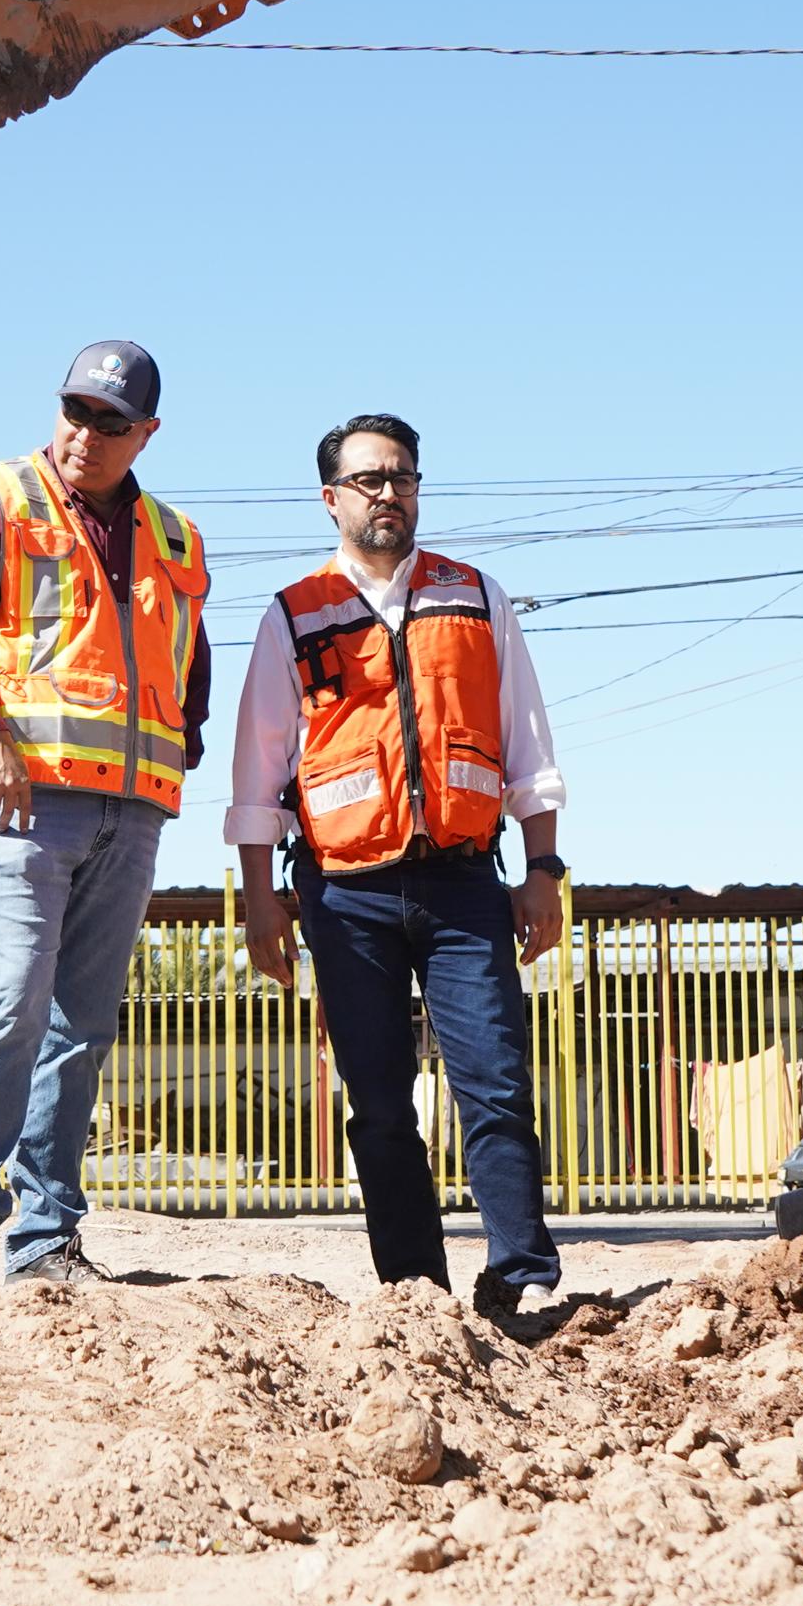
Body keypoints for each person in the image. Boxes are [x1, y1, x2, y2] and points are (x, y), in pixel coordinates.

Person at [0, 340, 212, 1303]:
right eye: (75, 411)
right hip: (18, 798)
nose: (85, 434)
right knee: (10, 1003)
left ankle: (46, 1238)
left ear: (146, 433)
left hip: (134, 808)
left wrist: (178, 747)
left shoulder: (179, 538)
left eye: (111, 422)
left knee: (81, 1025)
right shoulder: (1, 494)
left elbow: (189, 665)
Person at [228, 413, 569, 1325]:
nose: (389, 493)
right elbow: (259, 771)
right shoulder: (295, 613)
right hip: (344, 896)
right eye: (370, 479)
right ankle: (415, 1293)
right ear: (331, 498)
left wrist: (544, 868)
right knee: (378, 1101)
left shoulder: (477, 596)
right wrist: (263, 902)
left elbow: (527, 743)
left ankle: (523, 1272)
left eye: (403, 477)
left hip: (466, 883)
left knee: (496, 1082)